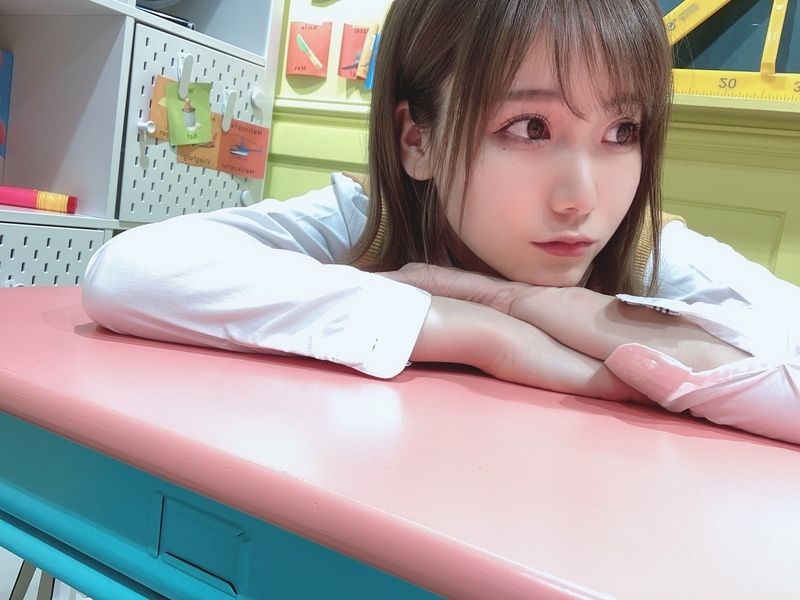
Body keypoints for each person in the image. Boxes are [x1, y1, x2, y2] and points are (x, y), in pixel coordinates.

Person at [82, 0, 800, 444]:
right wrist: (483, 333)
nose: (581, 199)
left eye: (622, 132)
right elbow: (131, 271)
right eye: (530, 127)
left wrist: (530, 303)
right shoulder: (365, 221)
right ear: (416, 139)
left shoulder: (647, 251)